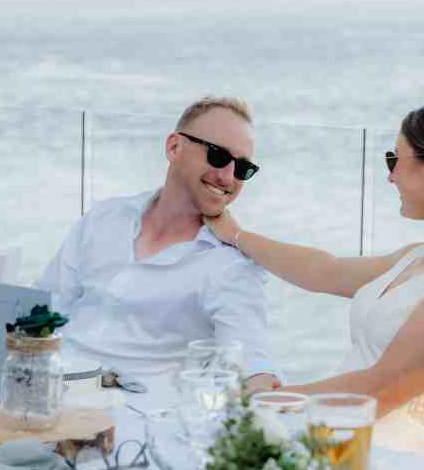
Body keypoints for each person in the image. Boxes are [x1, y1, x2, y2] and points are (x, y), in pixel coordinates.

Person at [205, 101, 424, 457]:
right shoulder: (418, 257)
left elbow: (381, 388)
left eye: (394, 159)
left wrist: (270, 400)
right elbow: (324, 271)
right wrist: (236, 235)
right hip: (338, 429)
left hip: (376, 455)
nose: (390, 176)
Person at [35, 96, 278, 402]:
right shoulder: (106, 217)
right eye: (217, 156)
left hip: (136, 422)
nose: (228, 176)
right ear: (174, 147)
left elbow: (250, 358)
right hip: (48, 395)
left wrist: (266, 401)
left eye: (242, 168)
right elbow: (46, 307)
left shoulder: (231, 265)